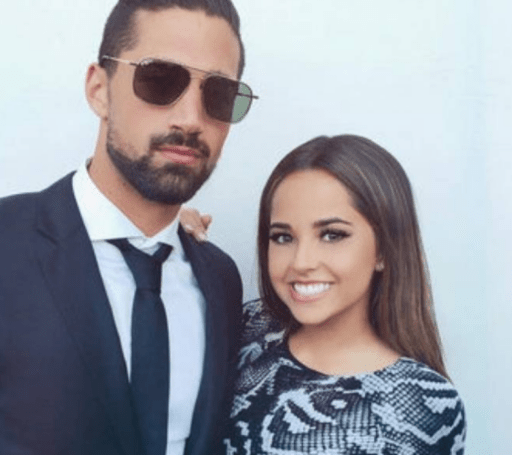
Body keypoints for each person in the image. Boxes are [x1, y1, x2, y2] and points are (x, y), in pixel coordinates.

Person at [0, 0, 257, 454]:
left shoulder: (219, 278)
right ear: (99, 90)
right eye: (160, 80)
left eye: (219, 93)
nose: (190, 117)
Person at [183, 134, 466, 454]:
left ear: (384, 250)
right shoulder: (250, 328)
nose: (301, 263)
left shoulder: (425, 404)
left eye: (332, 235)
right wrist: (168, 237)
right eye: (282, 237)